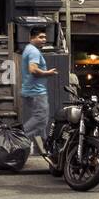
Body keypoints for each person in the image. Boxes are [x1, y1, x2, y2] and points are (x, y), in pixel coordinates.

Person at [21, 25, 58, 156]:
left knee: (41, 121)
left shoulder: (29, 49)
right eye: (40, 37)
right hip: (36, 92)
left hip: (30, 91)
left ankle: (41, 149)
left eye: (45, 37)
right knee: (40, 118)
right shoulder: (34, 52)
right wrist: (48, 73)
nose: (44, 40)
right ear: (31, 38)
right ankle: (19, 139)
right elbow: (33, 70)